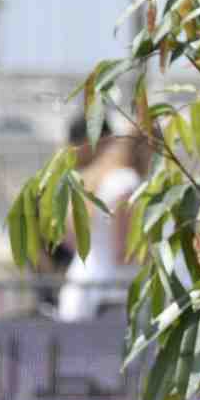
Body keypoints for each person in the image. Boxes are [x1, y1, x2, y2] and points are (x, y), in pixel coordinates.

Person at [57, 113, 150, 321]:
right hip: (110, 298)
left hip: (83, 287)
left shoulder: (98, 179)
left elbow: (70, 239)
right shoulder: (126, 183)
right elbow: (123, 251)